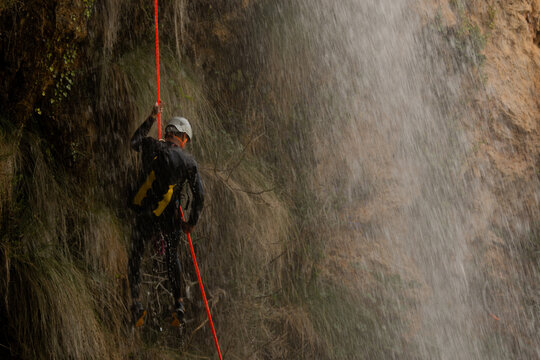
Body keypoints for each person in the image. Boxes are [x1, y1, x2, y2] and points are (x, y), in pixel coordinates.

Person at [128, 103, 204, 328]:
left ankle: (137, 305)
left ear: (168, 132)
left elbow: (134, 142)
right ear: (181, 136)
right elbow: (199, 194)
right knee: (173, 257)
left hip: (144, 213)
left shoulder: (152, 146)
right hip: (170, 218)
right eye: (186, 140)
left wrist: (151, 117)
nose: (186, 144)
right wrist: (191, 222)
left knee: (135, 256)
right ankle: (178, 305)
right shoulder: (189, 162)